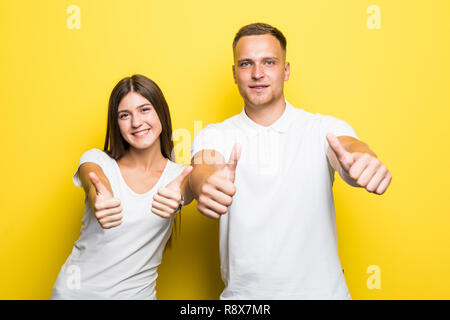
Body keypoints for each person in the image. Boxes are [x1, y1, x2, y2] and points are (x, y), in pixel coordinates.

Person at [188, 23, 392, 299]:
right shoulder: (215, 135)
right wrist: (206, 182)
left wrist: (361, 159)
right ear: (235, 74)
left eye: (269, 62)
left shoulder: (322, 128)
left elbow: (348, 148)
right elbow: (204, 165)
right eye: (246, 64)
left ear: (285, 70)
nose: (257, 73)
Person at [51, 74, 193, 300]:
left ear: (161, 113)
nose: (136, 122)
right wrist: (99, 194)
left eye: (145, 109)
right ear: (116, 123)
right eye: (124, 115)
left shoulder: (180, 176)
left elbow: (199, 183)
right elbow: (93, 179)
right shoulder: (98, 161)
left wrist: (188, 189)